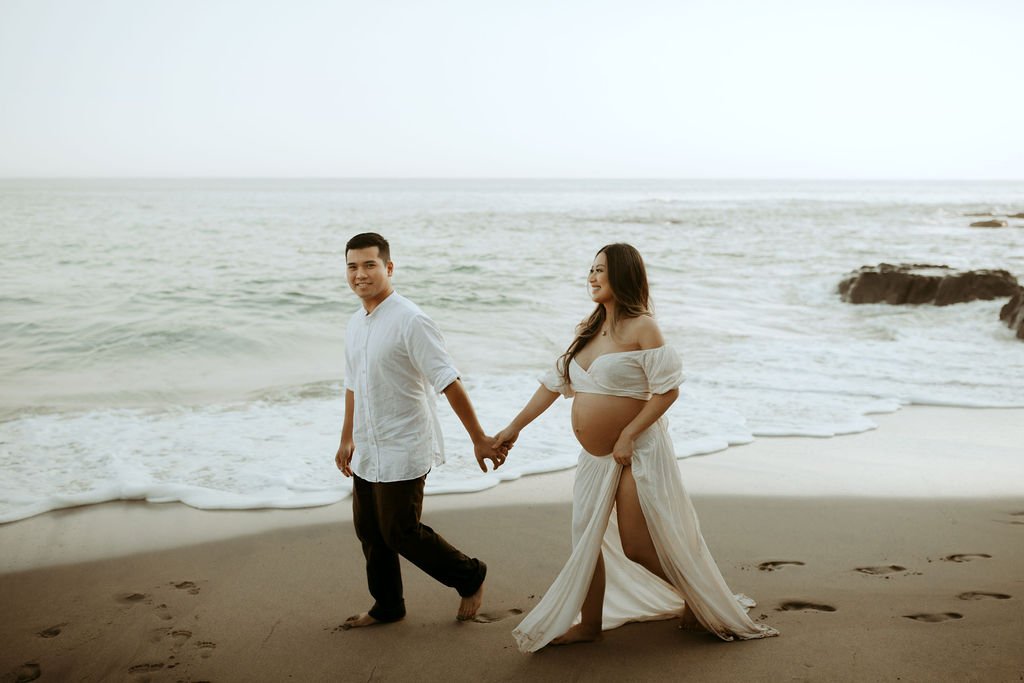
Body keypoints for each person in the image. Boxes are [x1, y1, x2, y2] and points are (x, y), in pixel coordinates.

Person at [494, 243, 778, 651]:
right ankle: (588, 624)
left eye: (600, 271)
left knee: (637, 546)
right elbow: (553, 384)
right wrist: (512, 428)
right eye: (589, 270)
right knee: (585, 541)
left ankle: (699, 602)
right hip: (594, 457)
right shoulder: (587, 330)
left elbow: (668, 390)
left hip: (636, 450)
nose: (591, 278)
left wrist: (628, 434)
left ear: (623, 275)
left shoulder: (643, 326)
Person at [335, 232, 506, 629]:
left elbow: (448, 380)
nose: (360, 274)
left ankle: (470, 575)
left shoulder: (411, 320)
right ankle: (387, 606)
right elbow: (352, 383)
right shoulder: (354, 324)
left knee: (400, 531)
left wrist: (478, 438)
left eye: (369, 265)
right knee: (371, 532)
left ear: (389, 268)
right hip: (367, 445)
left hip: (404, 443)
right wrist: (347, 437)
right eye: (352, 266)